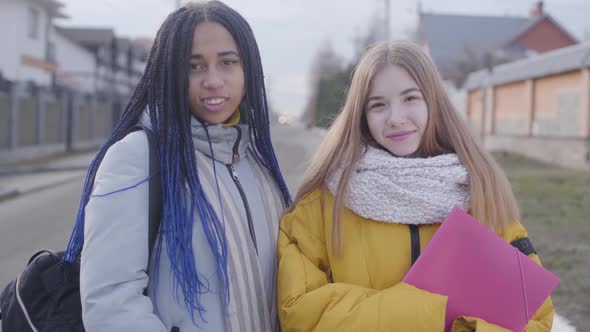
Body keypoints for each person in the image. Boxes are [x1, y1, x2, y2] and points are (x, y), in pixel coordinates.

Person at [277, 40, 554, 331]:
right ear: (362, 116)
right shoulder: (321, 205)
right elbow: (300, 313)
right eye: (378, 105)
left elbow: (536, 318)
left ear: (433, 102)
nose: (396, 118)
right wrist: (430, 314)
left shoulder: (481, 195)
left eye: (410, 98)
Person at [63, 1, 291, 331]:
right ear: (170, 73)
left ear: (248, 70)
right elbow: (110, 304)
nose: (213, 80)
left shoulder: (257, 161)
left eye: (228, 62)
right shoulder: (139, 157)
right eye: (194, 66)